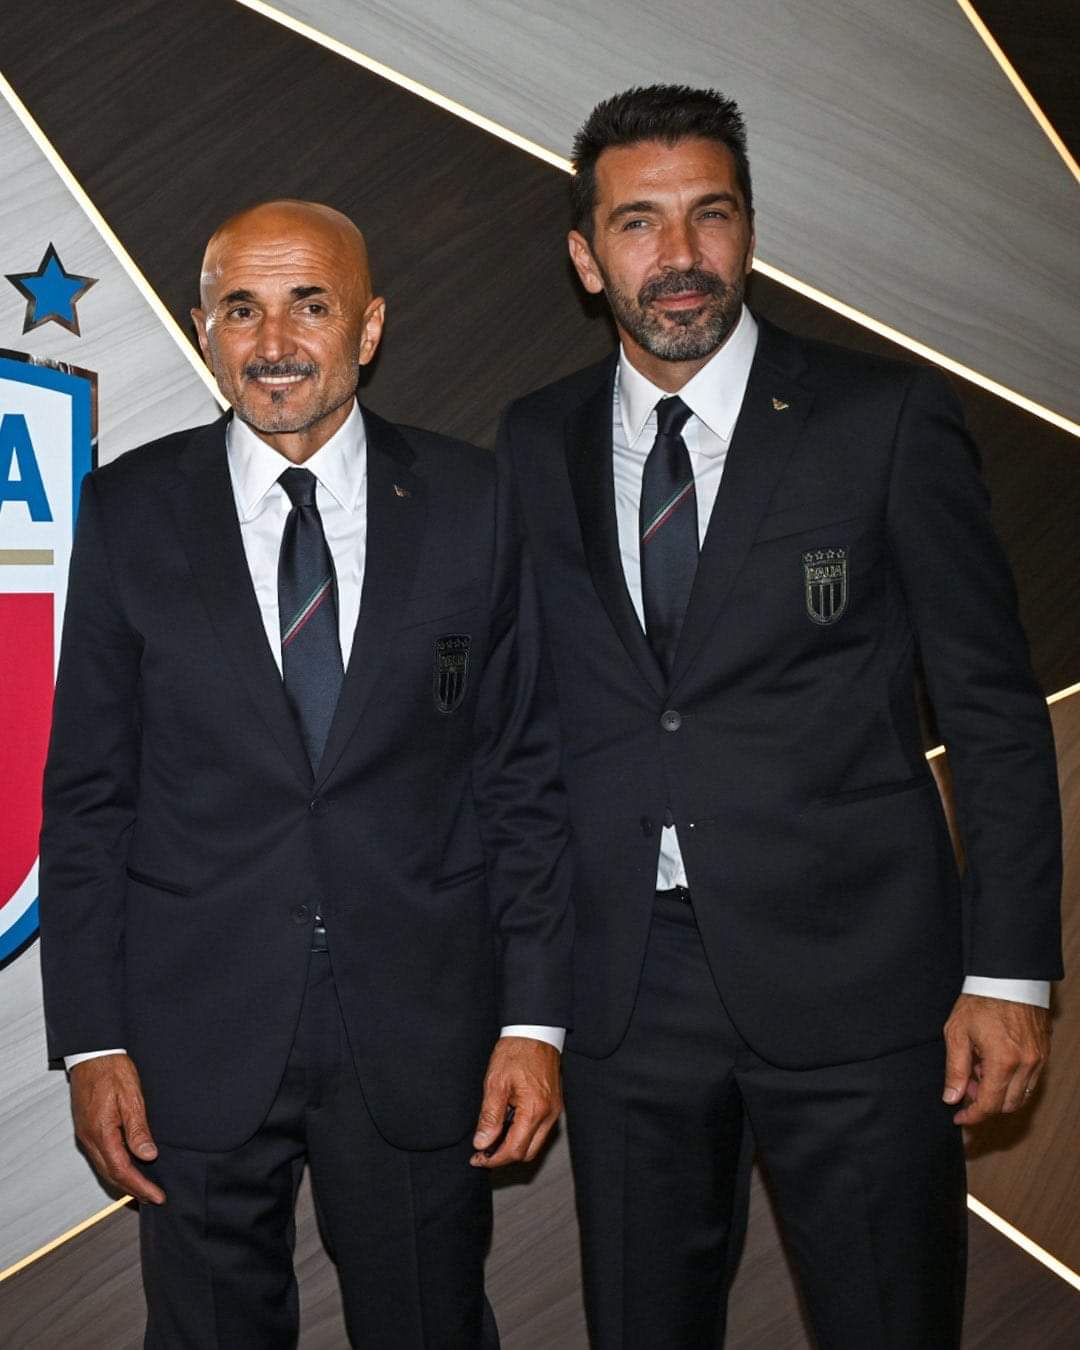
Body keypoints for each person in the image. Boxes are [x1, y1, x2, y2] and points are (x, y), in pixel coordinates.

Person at [498, 86, 1062, 1348]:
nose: (679, 253)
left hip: (862, 983)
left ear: (750, 231)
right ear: (588, 258)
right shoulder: (534, 441)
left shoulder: (885, 419)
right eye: (638, 223)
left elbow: (992, 710)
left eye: (710, 214)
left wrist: (1009, 971)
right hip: (627, 991)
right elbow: (527, 729)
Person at [39, 199, 572, 1349]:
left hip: (422, 1029)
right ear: (203, 328)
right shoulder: (130, 509)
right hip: (193, 1037)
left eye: (309, 305)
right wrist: (91, 1039)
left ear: (368, 328)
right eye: (242, 309)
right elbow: (88, 796)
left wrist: (536, 1020)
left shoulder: (476, 502)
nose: (273, 340)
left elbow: (523, 780)